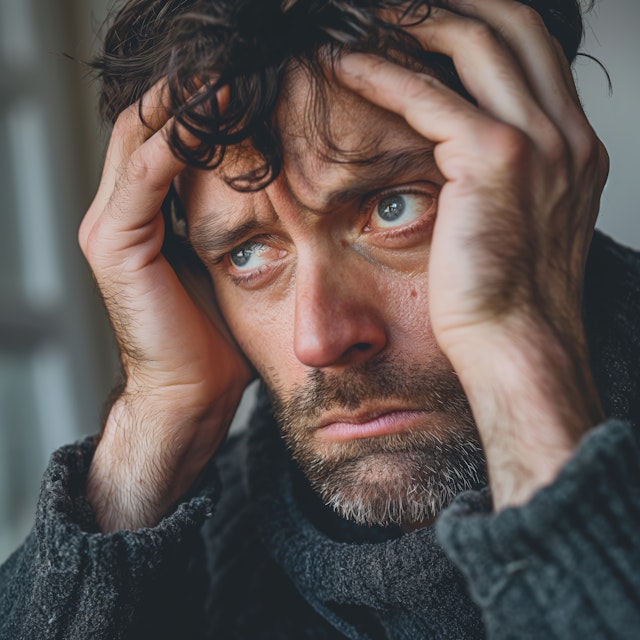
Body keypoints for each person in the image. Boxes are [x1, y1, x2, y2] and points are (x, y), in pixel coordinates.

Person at [1, 0, 639, 637]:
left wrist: (522, 361)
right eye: (248, 253)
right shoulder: (214, 556)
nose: (320, 339)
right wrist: (154, 422)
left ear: (549, 178)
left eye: (393, 209)